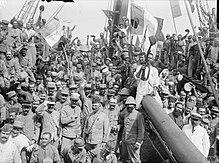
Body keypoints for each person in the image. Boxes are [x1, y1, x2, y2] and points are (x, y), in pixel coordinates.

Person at [121, 96, 145, 163]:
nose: (130, 108)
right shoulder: (125, 113)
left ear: (134, 106)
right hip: (125, 140)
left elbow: (141, 130)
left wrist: (138, 142)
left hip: (133, 142)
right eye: (128, 106)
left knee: (135, 160)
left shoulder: (139, 115)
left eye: (131, 107)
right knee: (125, 159)